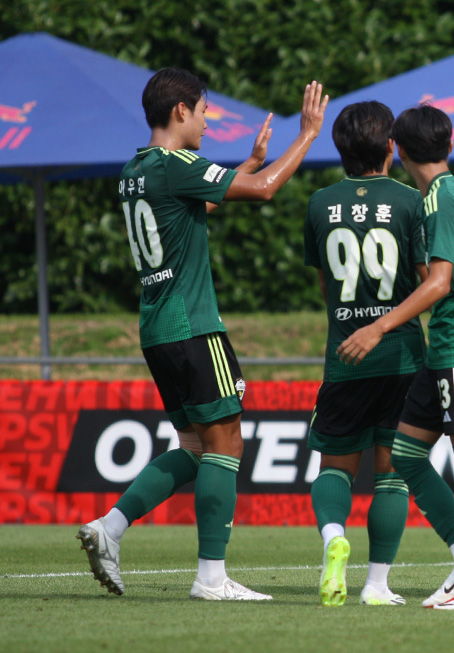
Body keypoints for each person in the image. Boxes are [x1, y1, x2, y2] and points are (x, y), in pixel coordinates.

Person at [77, 68, 328, 601]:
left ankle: (111, 528)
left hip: (157, 328)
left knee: (194, 445)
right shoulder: (177, 164)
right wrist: (307, 133)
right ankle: (211, 578)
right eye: (205, 111)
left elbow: (197, 207)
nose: (209, 122)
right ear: (180, 111)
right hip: (194, 326)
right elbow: (261, 193)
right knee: (226, 442)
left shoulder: (135, 170)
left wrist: (253, 160)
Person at [336, 104, 454, 611]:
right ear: (450, 146)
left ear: (400, 150)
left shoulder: (437, 200)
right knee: (408, 454)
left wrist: (378, 326)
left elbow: (438, 282)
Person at [303, 101, 429, 606]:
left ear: (340, 147)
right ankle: (377, 585)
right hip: (401, 355)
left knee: (334, 468)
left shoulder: (318, 203)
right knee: (390, 475)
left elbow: (325, 285)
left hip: (345, 354)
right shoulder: (410, 201)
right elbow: (429, 280)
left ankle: (334, 536)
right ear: (391, 147)